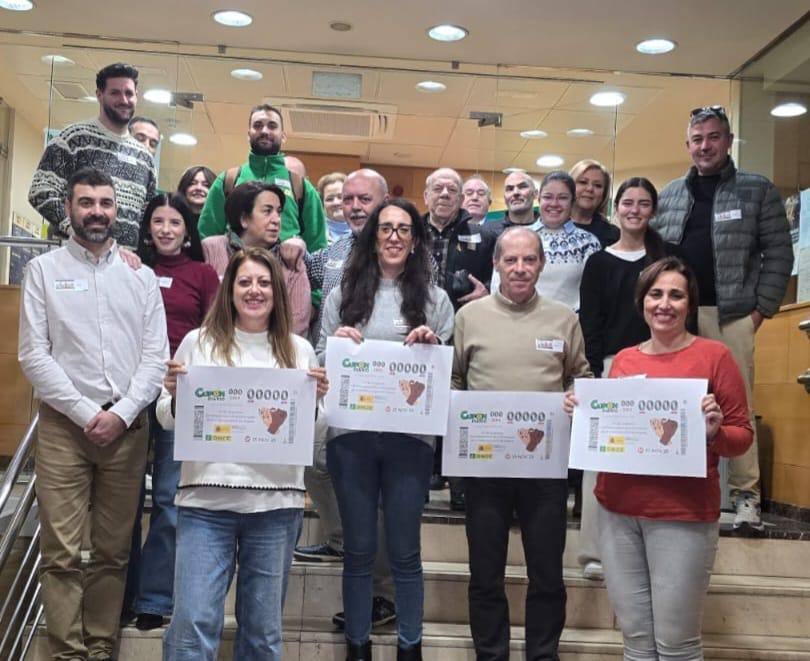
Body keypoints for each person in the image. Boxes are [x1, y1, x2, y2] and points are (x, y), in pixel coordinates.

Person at [565, 256, 753, 659]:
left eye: (676, 295)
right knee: (635, 640)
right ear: (642, 301)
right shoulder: (625, 360)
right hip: (618, 514)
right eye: (655, 294)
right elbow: (612, 433)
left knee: (676, 644)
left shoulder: (715, 356)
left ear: (689, 304)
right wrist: (584, 413)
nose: (664, 304)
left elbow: (742, 438)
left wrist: (716, 432)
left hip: (683, 515)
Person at [18, 167, 168, 660]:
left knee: (113, 552)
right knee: (59, 552)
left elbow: (155, 356)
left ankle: (101, 648)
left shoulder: (140, 276)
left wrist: (122, 413)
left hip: (127, 431)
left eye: (105, 203)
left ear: (116, 210)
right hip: (65, 429)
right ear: (68, 208)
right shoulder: (43, 271)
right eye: (87, 202)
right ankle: (66, 652)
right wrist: (87, 412)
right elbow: (33, 356)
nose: (97, 211)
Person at [160, 247, 328, 661]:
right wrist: (176, 395)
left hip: (276, 505)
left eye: (264, 282)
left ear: (278, 291)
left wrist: (317, 401)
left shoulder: (300, 350)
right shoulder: (199, 343)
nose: (255, 290)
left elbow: (315, 432)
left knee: (263, 634)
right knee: (192, 625)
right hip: (205, 503)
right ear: (229, 289)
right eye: (245, 282)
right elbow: (166, 418)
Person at [317, 199, 454, 661]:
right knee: (357, 550)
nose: (394, 236)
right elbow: (319, 364)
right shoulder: (344, 295)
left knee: (404, 551)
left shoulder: (435, 301)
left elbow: (447, 378)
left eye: (403, 229)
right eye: (385, 228)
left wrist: (433, 348)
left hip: (409, 443)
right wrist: (333, 347)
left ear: (416, 239)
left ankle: (408, 647)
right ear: (373, 236)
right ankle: (358, 646)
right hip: (350, 440)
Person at [453, 225, 592, 661]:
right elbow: (454, 379)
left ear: (542, 265)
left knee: (548, 575)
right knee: (485, 575)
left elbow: (581, 377)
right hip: (486, 469)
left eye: (528, 259)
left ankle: (542, 655)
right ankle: (491, 655)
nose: (519, 268)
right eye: (510, 260)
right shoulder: (468, 318)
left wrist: (577, 399)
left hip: (545, 470)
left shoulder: (564, 318)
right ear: (495, 265)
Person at [654, 105, 793, 531]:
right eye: (697, 139)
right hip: (679, 317)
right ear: (688, 145)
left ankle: (746, 498)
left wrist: (759, 311)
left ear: (728, 141)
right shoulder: (673, 193)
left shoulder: (757, 190)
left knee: (737, 408)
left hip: (733, 315)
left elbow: (779, 254)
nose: (705, 146)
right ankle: (684, 486)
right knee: (677, 404)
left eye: (713, 137)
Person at [289, 168, 397, 630]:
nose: (354, 206)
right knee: (312, 460)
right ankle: (339, 538)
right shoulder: (326, 256)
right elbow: (304, 305)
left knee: (377, 500)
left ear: (384, 202)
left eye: (364, 198)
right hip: (333, 384)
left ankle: (382, 594)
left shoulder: (406, 257)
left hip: (388, 401)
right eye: (348, 198)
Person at [128, 193, 220, 631]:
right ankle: (123, 594)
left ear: (188, 230)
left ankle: (154, 598)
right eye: (159, 221)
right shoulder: (131, 269)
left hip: (178, 395)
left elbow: (217, 334)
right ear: (147, 227)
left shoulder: (202, 274)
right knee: (124, 501)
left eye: (175, 222)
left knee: (167, 499)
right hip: (128, 393)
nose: (166, 229)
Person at [577, 177, 666, 581]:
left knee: (655, 461)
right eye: (627, 203)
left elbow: (686, 315)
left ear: (653, 209)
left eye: (643, 203)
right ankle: (594, 552)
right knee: (601, 461)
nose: (635, 210)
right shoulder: (598, 262)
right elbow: (590, 321)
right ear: (616, 209)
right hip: (613, 367)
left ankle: (652, 549)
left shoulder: (668, 258)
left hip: (663, 367)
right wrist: (595, 372)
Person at [423, 167, 496, 509]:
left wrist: (489, 295)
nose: (445, 194)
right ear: (426, 196)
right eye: (438, 188)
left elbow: (501, 282)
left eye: (452, 189)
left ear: (461, 196)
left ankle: (460, 484)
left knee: (459, 405)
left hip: (468, 329)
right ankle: (424, 476)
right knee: (420, 403)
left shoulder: (484, 234)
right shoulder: (411, 230)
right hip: (420, 332)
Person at [28, 63, 156, 250]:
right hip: (75, 261)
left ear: (137, 96)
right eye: (115, 93)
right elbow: (40, 192)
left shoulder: (145, 159)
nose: (123, 99)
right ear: (99, 95)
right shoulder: (73, 139)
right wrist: (79, 232)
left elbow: (146, 217)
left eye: (129, 93)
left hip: (123, 267)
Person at [196, 104, 327, 254]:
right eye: (257, 126)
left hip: (285, 273)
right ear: (248, 134)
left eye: (272, 126)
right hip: (234, 269)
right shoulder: (228, 180)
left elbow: (317, 246)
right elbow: (206, 236)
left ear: (283, 136)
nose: (264, 131)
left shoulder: (301, 186)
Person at [201, 181, 311, 336]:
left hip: (275, 350)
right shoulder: (211, 248)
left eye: (278, 212)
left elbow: (297, 323)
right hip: (217, 345)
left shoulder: (290, 258)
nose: (276, 220)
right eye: (267, 211)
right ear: (244, 219)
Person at [492, 170, 601, 311]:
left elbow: (594, 297)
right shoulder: (516, 237)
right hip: (519, 321)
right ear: (539, 199)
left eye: (562, 198)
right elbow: (497, 285)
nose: (554, 204)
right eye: (548, 197)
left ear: (573, 201)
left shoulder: (588, 243)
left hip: (567, 326)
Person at [569, 159, 619, 248]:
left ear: (604, 193)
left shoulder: (614, 235)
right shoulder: (551, 225)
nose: (590, 189)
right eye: (583, 182)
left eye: (597, 185)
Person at [486, 170, 540, 236]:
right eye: (510, 189)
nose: (515, 192)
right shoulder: (489, 231)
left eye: (522, 187)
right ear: (505, 198)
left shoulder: (549, 228)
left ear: (535, 194)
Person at [317, 171, 350, 244]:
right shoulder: (315, 233)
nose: (336, 203)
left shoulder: (368, 231)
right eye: (329, 199)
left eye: (340, 197)